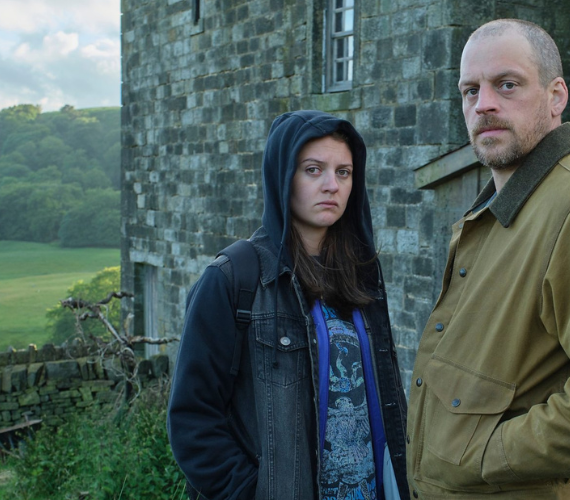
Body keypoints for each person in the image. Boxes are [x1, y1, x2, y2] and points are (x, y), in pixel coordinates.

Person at [405, 19, 570, 499]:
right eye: (470, 91)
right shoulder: (500, 205)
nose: (483, 104)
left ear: (556, 97)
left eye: (507, 85)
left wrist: (488, 454)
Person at [168, 110, 409, 500]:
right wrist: (253, 492)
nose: (332, 185)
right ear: (283, 176)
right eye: (313, 170)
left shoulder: (362, 275)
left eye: (343, 172)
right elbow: (192, 420)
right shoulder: (233, 278)